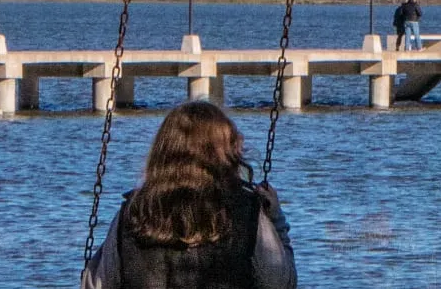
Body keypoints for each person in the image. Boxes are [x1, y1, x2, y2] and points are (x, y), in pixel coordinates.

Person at [81, 101, 296, 289]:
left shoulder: (131, 213)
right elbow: (280, 283)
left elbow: (96, 284)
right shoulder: (247, 212)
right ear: (225, 154)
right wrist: (276, 221)